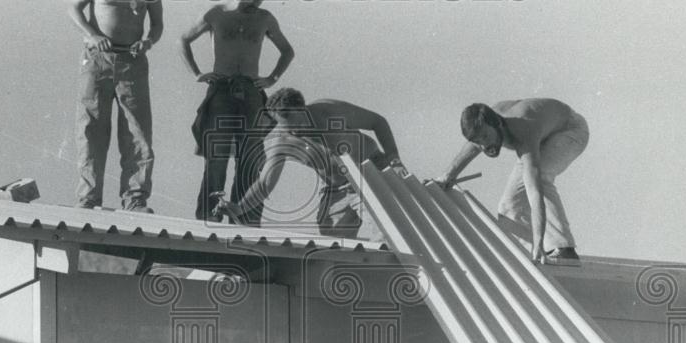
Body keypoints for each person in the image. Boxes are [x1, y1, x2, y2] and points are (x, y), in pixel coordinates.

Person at [180, 0, 295, 224]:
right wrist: (197, 73)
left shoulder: (265, 18)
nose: (258, 2)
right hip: (221, 89)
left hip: (252, 93)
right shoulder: (217, 14)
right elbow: (184, 40)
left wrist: (272, 78)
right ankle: (208, 217)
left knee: (251, 157)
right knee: (217, 156)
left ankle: (244, 219)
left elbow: (287, 51)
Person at [217, 87, 406, 238]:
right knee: (334, 248)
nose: (297, 132)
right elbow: (265, 184)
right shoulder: (283, 143)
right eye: (289, 130)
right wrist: (240, 207)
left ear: (303, 109)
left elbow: (377, 122)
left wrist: (394, 158)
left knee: (389, 234)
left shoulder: (328, 111)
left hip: (370, 173)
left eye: (298, 125)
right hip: (336, 191)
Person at [69, 0, 163, 212]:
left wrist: (147, 42)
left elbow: (158, 25)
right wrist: (93, 34)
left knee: (137, 132)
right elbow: (74, 7)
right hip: (97, 60)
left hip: (132, 62)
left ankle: (135, 198)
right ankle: (88, 198)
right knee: (92, 129)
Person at [439, 98, 589, 264]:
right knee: (509, 204)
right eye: (478, 142)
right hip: (542, 134)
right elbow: (475, 143)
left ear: (498, 125)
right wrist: (447, 175)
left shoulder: (523, 130)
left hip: (570, 130)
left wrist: (539, 239)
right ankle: (524, 254)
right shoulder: (485, 126)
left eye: (486, 137)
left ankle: (564, 249)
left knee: (541, 177)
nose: (485, 146)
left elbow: (534, 192)